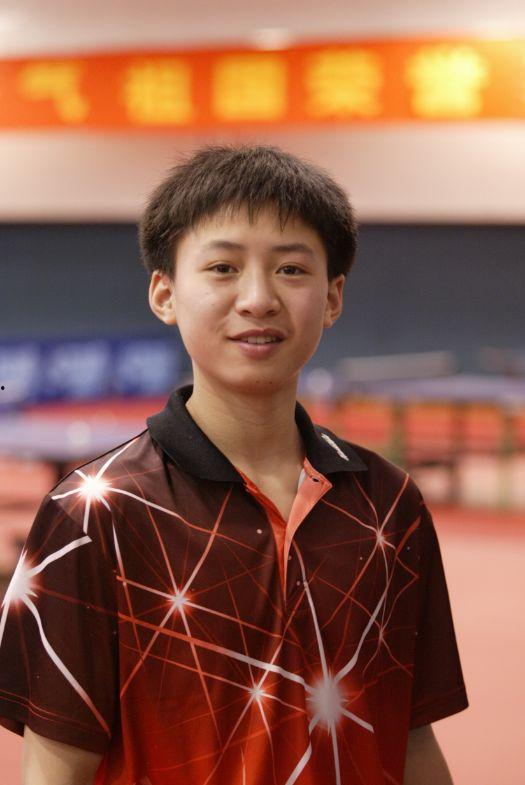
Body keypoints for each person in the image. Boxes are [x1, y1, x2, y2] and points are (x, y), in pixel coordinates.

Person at [0, 145, 468, 785]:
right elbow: (56, 768)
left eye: (291, 270)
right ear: (165, 294)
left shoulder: (390, 503)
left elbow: (410, 738)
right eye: (222, 267)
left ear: (333, 298)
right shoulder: (93, 513)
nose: (258, 298)